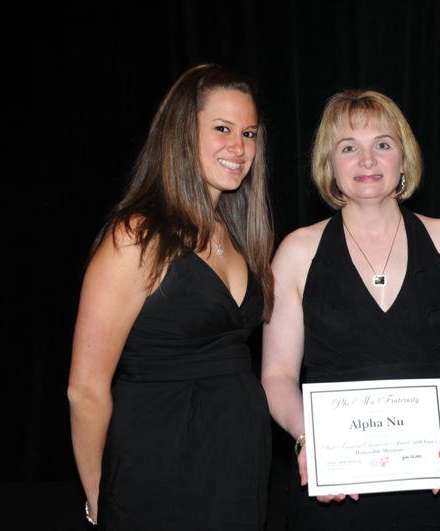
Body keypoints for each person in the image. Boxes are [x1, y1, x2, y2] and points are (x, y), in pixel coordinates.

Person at [261, 89, 440, 530]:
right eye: (349, 147)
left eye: (382, 145)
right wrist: (309, 440)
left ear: (403, 160)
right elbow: (276, 376)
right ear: (330, 165)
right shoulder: (296, 252)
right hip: (333, 489)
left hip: (437, 478)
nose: (367, 161)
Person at [67, 64, 274, 530]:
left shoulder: (238, 233)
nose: (239, 147)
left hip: (238, 470)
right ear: (182, 133)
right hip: (155, 471)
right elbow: (85, 390)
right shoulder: (136, 235)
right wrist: (100, 498)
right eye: (222, 129)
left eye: (249, 133)